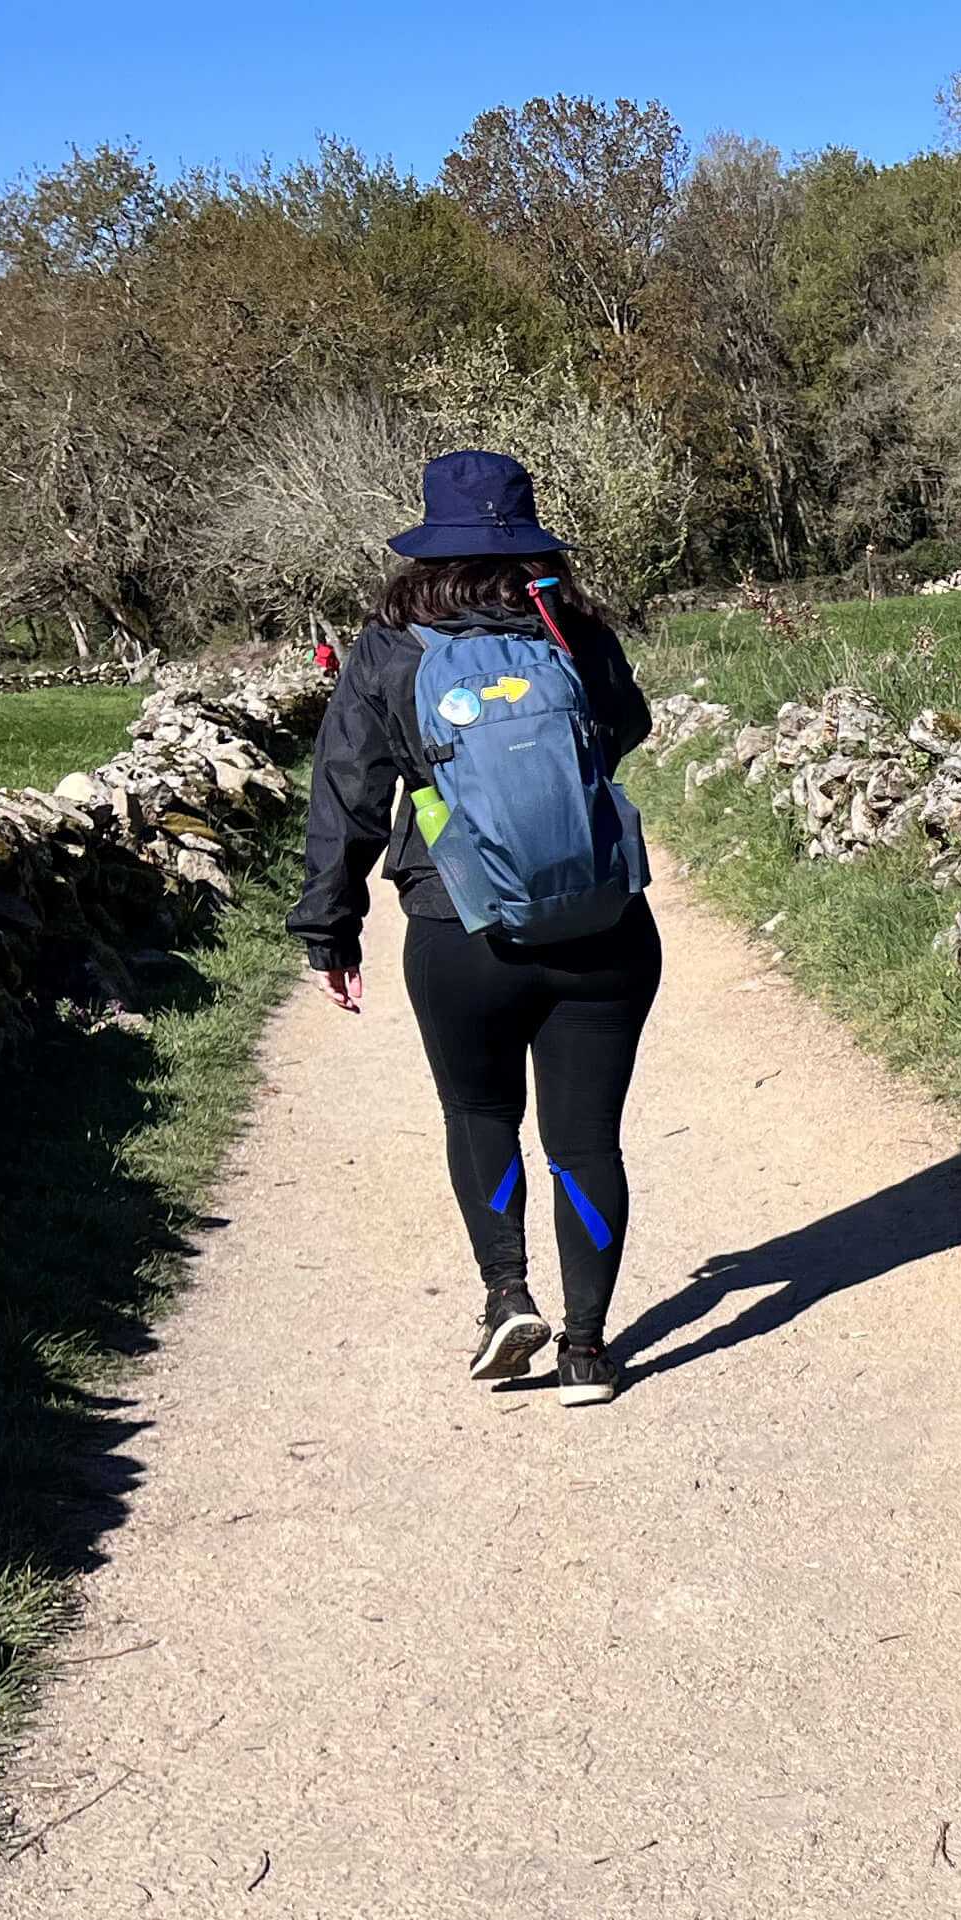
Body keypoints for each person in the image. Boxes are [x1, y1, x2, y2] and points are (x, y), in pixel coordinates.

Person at [292, 449, 661, 1407]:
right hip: (600, 921)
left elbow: (348, 791)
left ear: (429, 543)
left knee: (480, 1115)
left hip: (457, 925)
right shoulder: (572, 627)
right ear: (528, 534)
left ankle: (507, 1295)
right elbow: (627, 727)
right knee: (587, 1142)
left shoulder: (390, 646)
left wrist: (331, 926)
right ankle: (588, 1350)